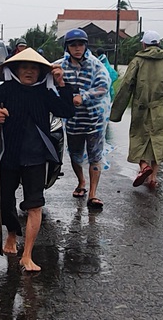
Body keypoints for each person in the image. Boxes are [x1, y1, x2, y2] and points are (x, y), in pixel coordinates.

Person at [0, 47, 75, 272]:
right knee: (6, 201)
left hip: (36, 157)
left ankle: (28, 254)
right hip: (9, 155)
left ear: (41, 72)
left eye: (34, 68)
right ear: (16, 69)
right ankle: (12, 233)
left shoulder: (44, 93)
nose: (29, 72)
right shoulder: (7, 90)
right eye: (24, 67)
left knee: (35, 204)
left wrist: (62, 84)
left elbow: (67, 111)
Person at [110, 30, 163, 190]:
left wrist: (116, 113)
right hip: (161, 109)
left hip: (141, 108)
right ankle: (153, 178)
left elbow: (126, 86)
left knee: (138, 137)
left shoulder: (138, 61)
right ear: (158, 44)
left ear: (143, 45)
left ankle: (144, 166)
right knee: (158, 140)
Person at [52, 28, 111, 210]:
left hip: (94, 120)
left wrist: (84, 96)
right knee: (75, 155)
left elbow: (104, 86)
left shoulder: (95, 65)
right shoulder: (60, 66)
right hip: (73, 121)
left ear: (86, 46)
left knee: (95, 156)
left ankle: (93, 194)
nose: (77, 48)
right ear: (67, 47)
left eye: (80, 44)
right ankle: (81, 182)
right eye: (73, 45)